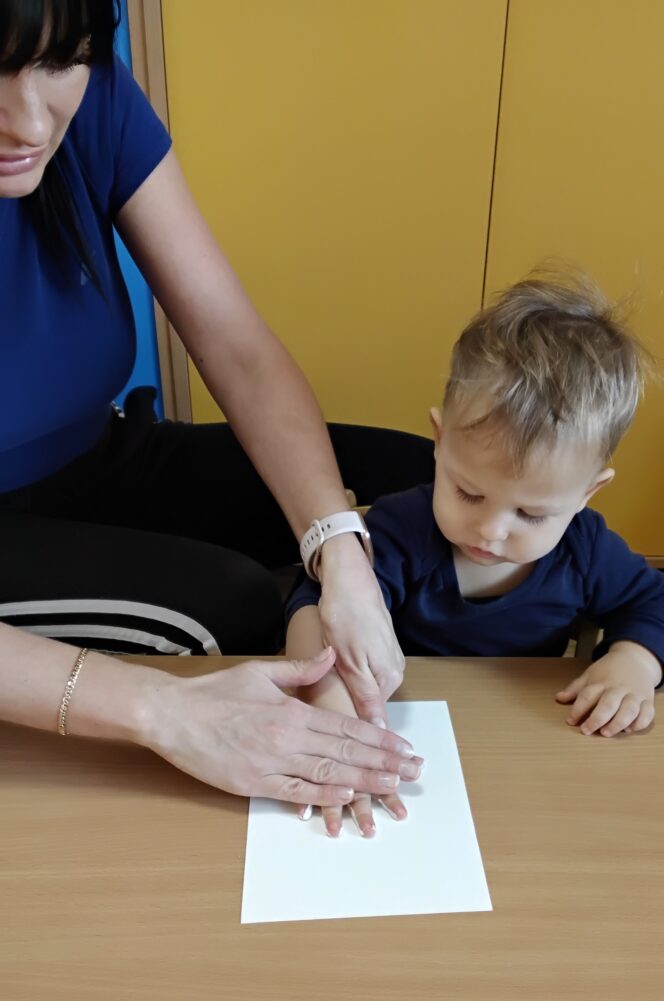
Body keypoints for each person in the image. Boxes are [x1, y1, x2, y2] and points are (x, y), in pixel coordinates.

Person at [0, 0, 428, 805]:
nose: (27, 122)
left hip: (97, 456)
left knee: (423, 489)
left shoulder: (95, 98)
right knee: (222, 608)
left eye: (60, 61)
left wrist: (337, 547)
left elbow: (238, 347)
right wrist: (162, 712)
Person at [286, 271, 664, 837]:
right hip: (409, 734)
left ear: (587, 493)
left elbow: (655, 601)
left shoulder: (585, 548)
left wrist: (635, 663)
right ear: (439, 441)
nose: (491, 530)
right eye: (468, 493)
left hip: (524, 758)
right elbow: (311, 601)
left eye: (532, 514)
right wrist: (326, 695)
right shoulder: (402, 530)